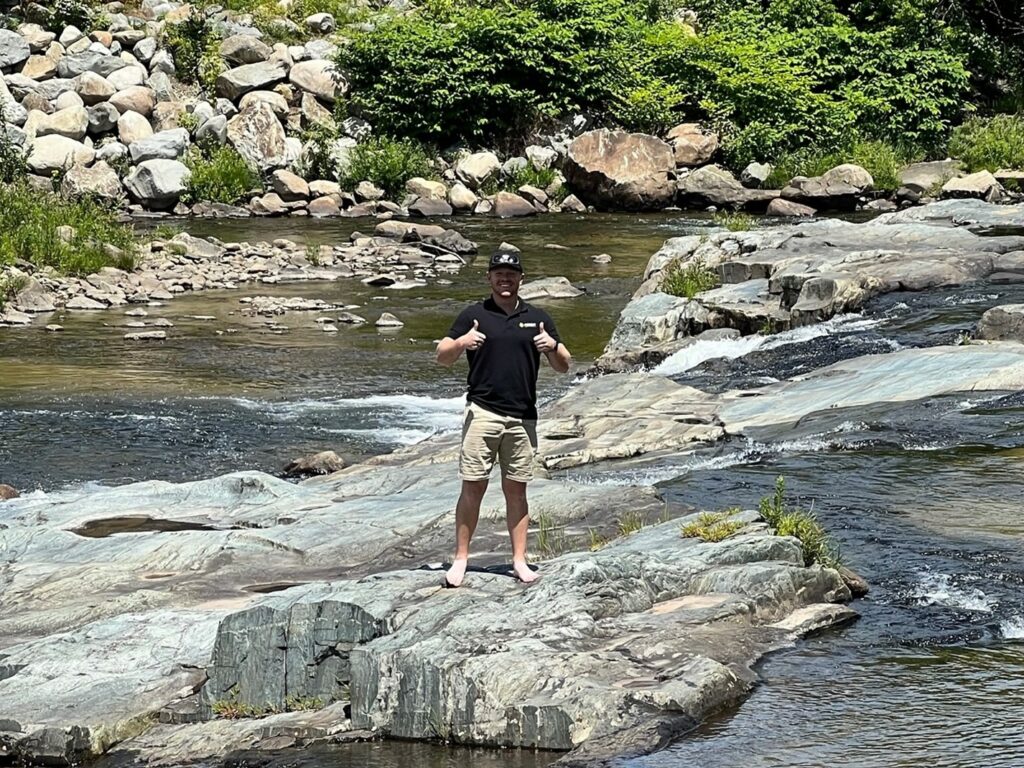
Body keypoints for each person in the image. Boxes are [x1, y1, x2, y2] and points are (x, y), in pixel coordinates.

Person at [435, 250, 572, 587]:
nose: (505, 279)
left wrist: (552, 346)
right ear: (489, 277)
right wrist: (463, 342)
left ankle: (520, 562)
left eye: (511, 273)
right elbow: (441, 356)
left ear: (521, 278)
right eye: (499, 273)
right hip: (483, 411)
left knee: (517, 491)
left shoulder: (537, 316)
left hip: (523, 417)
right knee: (473, 487)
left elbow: (564, 365)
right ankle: (461, 560)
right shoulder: (474, 314)